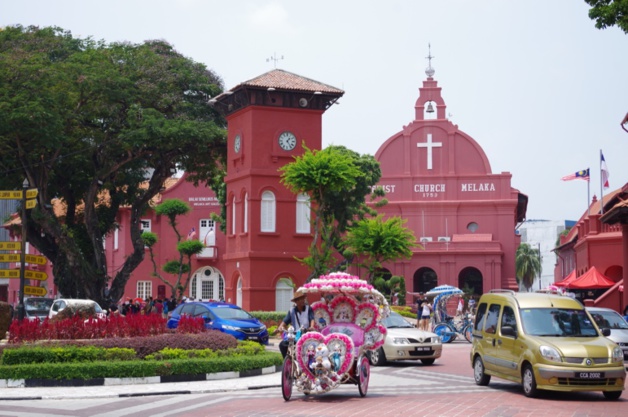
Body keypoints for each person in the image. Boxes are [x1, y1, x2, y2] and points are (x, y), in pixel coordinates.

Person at [275, 290, 316, 358]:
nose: (303, 301)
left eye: (303, 299)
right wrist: (279, 329)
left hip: (306, 333)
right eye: (300, 299)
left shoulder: (309, 309)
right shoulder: (292, 311)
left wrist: (311, 327)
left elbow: (312, 319)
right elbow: (284, 322)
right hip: (295, 335)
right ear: (296, 301)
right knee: (282, 345)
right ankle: (287, 362)